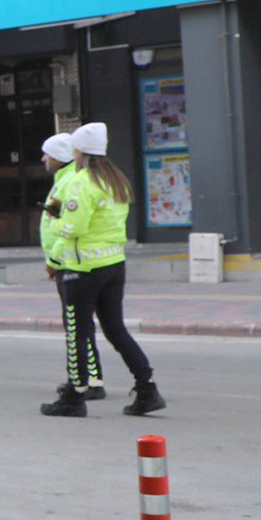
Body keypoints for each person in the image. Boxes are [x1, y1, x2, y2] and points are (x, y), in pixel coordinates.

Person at [43, 121, 164, 417]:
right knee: (115, 329)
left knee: (77, 332)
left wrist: (53, 221)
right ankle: (146, 386)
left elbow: (73, 225)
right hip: (113, 265)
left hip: (81, 268)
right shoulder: (116, 180)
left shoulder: (81, 182)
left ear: (81, 151)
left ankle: (74, 396)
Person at [39, 131, 105, 401]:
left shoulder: (68, 183)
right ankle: (89, 378)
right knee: (79, 324)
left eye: (48, 154)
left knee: (77, 325)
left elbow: (67, 228)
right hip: (67, 259)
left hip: (69, 261)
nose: (44, 158)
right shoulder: (63, 180)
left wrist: (53, 261)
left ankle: (87, 381)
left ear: (59, 157)